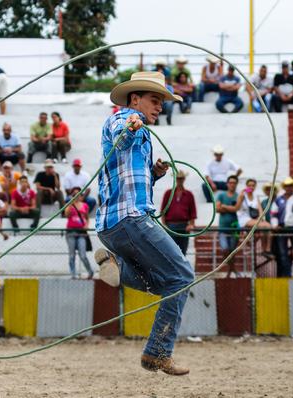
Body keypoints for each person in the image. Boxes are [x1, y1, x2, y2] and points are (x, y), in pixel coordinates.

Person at [93, 71, 193, 375]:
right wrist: (133, 125)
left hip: (113, 225)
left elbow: (129, 174)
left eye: (161, 101)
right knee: (183, 277)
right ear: (135, 99)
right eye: (155, 99)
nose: (160, 106)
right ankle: (157, 353)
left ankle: (118, 267)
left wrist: (155, 173)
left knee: (168, 283)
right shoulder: (122, 119)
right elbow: (124, 134)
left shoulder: (140, 133)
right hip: (132, 219)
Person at [224, 178, 272, 255]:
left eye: (253, 185)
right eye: (249, 185)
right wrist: (241, 195)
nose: (251, 187)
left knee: (264, 229)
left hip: (253, 219)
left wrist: (261, 218)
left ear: (255, 186)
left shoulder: (256, 196)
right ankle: (267, 249)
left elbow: (260, 210)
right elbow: (237, 208)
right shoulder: (242, 195)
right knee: (267, 226)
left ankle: (262, 248)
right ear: (246, 186)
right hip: (244, 219)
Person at [160, 170, 197, 255]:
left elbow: (192, 212)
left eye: (181, 178)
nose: (179, 180)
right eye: (178, 178)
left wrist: (191, 224)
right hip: (170, 225)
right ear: (175, 179)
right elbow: (163, 211)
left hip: (184, 226)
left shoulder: (189, 194)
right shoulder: (168, 193)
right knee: (171, 250)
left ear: (184, 179)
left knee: (183, 250)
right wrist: (164, 225)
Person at [64, 187, 94, 279]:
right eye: (74, 195)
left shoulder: (85, 205)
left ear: (81, 196)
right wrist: (70, 204)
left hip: (81, 232)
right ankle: (73, 274)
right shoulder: (69, 205)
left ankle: (90, 271)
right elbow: (66, 215)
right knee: (72, 255)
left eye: (78, 194)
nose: (76, 196)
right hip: (71, 232)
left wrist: (87, 225)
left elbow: (87, 217)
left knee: (83, 255)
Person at [216, 175, 240, 278]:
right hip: (223, 229)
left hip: (235, 229)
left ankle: (230, 271)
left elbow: (237, 209)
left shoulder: (238, 196)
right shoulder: (221, 195)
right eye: (230, 182)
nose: (232, 184)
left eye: (234, 183)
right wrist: (232, 208)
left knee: (232, 251)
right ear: (227, 184)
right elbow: (217, 209)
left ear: (236, 184)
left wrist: (224, 207)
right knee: (225, 249)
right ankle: (233, 268)